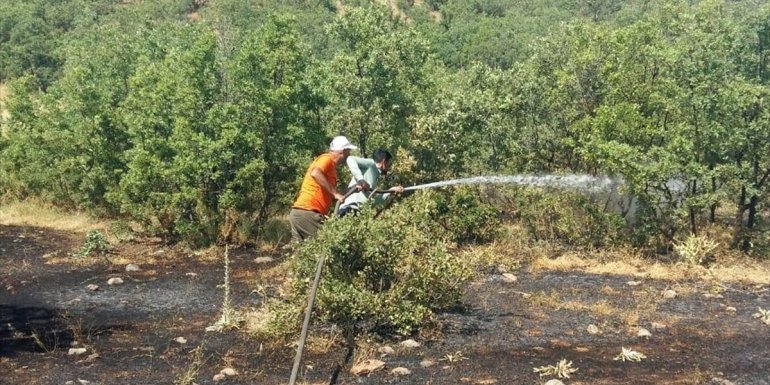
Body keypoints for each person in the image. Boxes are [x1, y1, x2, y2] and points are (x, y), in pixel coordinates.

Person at [289, 135, 357, 242]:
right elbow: (315, 173)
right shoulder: (327, 158)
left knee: (302, 255)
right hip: (308, 213)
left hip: (298, 214)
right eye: (349, 151)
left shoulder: (331, 168)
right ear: (343, 151)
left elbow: (335, 194)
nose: (349, 154)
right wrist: (335, 194)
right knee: (328, 246)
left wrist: (355, 187)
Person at [338, 148, 405, 217]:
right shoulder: (372, 164)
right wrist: (361, 180)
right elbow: (350, 159)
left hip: (359, 212)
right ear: (384, 161)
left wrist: (390, 192)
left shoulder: (374, 175)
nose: (389, 167)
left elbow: (371, 201)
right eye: (388, 163)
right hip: (350, 208)